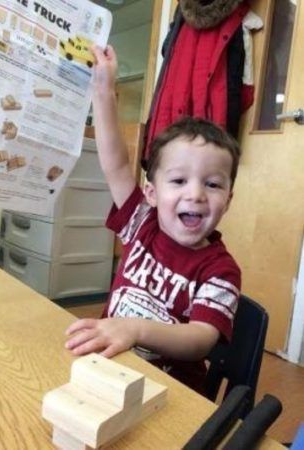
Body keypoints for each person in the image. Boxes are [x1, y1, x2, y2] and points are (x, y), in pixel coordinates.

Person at [65, 45, 241, 393]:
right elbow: (115, 164)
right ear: (151, 193)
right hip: (108, 364)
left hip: (167, 391)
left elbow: (200, 338)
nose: (195, 194)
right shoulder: (141, 223)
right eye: (178, 181)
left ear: (228, 200)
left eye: (213, 184)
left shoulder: (221, 271)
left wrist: (136, 329)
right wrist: (103, 91)